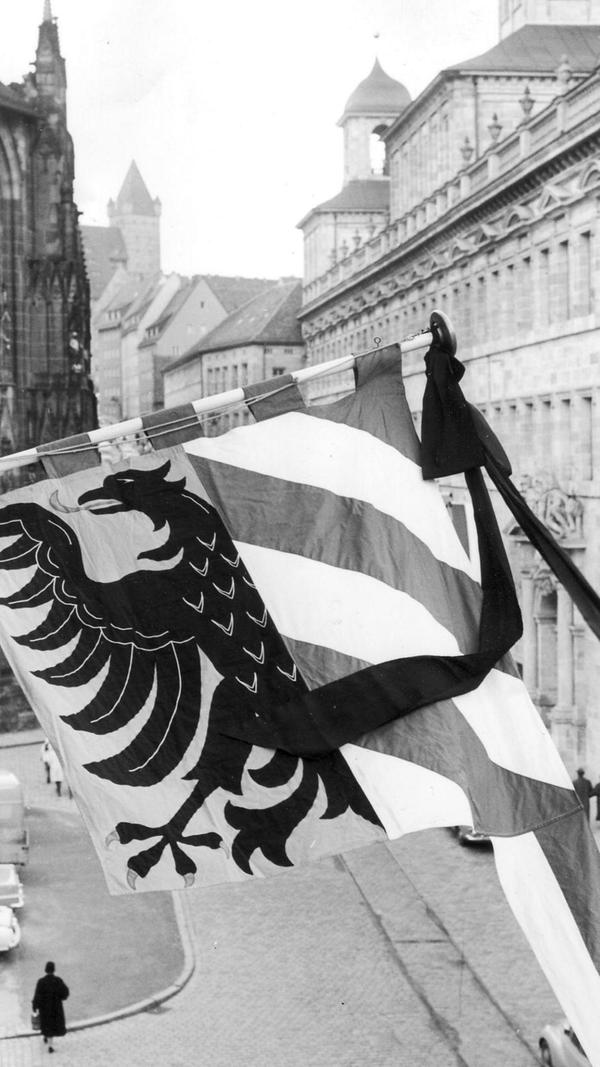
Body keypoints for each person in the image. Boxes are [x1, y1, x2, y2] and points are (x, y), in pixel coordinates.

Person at [32, 960, 69, 1054]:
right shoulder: (58, 981)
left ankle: (47, 1039)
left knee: (46, 1025)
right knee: (52, 1026)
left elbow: (37, 996)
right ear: (54, 970)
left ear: (45, 970)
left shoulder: (41, 982)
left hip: (45, 1009)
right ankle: (50, 1046)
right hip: (55, 1008)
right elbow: (65, 993)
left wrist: (35, 1006)